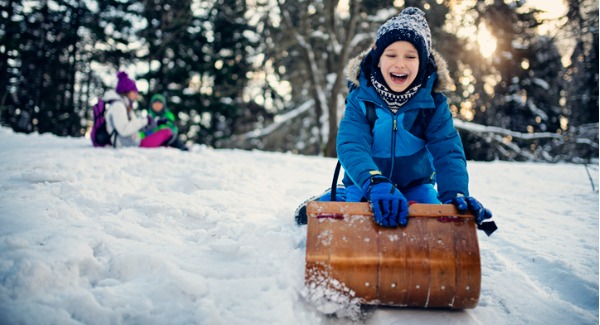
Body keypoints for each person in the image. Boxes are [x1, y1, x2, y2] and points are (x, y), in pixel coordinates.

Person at [336, 7, 493, 228]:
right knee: (356, 224)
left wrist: (454, 192)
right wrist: (374, 181)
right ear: (378, 58)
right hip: (367, 183)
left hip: (416, 185)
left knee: (436, 226)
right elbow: (351, 144)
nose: (400, 63)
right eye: (391, 55)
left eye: (410, 56)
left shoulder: (433, 104)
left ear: (422, 62)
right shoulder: (360, 99)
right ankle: (337, 196)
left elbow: (447, 151)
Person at [103, 71, 173, 148]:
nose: (136, 95)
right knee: (166, 132)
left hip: (132, 141)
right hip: (126, 143)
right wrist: (145, 121)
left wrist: (153, 123)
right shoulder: (118, 106)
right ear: (126, 91)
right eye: (134, 92)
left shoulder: (124, 106)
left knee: (165, 132)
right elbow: (123, 130)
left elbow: (134, 127)